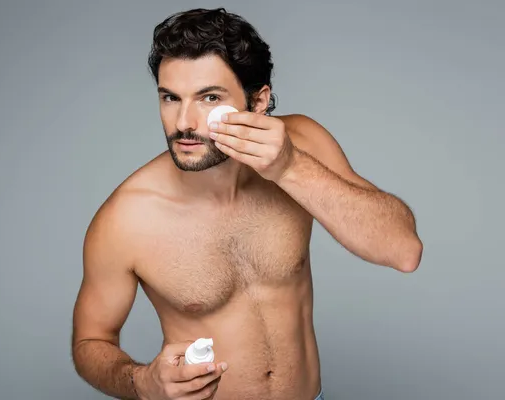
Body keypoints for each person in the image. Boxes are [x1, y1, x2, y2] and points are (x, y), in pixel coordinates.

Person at [71, 7, 423, 400]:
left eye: (208, 98)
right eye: (171, 97)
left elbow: (403, 250)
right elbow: (90, 342)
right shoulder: (127, 217)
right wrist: (141, 382)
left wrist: (290, 168)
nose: (184, 122)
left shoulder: (302, 144)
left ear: (258, 102)